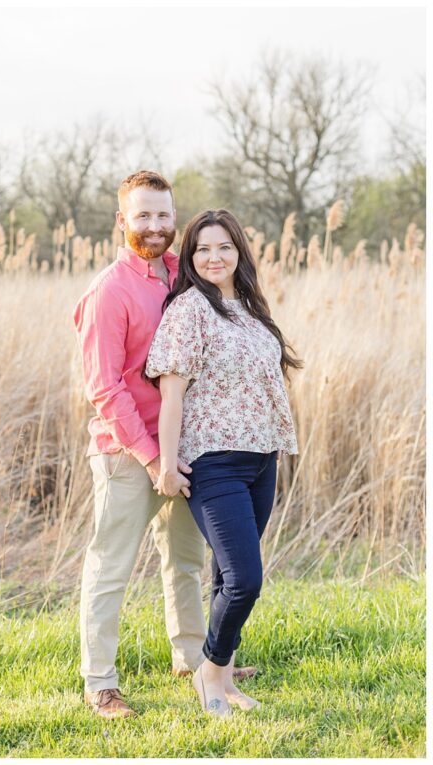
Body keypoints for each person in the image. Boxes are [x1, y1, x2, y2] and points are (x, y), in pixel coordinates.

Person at [72, 171, 256, 720]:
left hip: (188, 445)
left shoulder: (182, 275)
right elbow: (104, 387)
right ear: (122, 222)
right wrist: (154, 458)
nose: (155, 226)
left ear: (175, 219)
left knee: (185, 558)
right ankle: (100, 682)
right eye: (143, 215)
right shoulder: (109, 291)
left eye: (163, 215)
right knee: (111, 566)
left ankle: (191, 656)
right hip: (126, 453)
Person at [145, 209, 300, 717]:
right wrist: (167, 464)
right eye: (202, 249)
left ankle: (225, 678)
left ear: (239, 252)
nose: (214, 257)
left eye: (224, 247)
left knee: (224, 577)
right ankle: (209, 674)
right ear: (190, 257)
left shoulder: (250, 310)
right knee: (244, 579)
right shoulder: (188, 309)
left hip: (261, 458)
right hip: (214, 464)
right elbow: (172, 395)